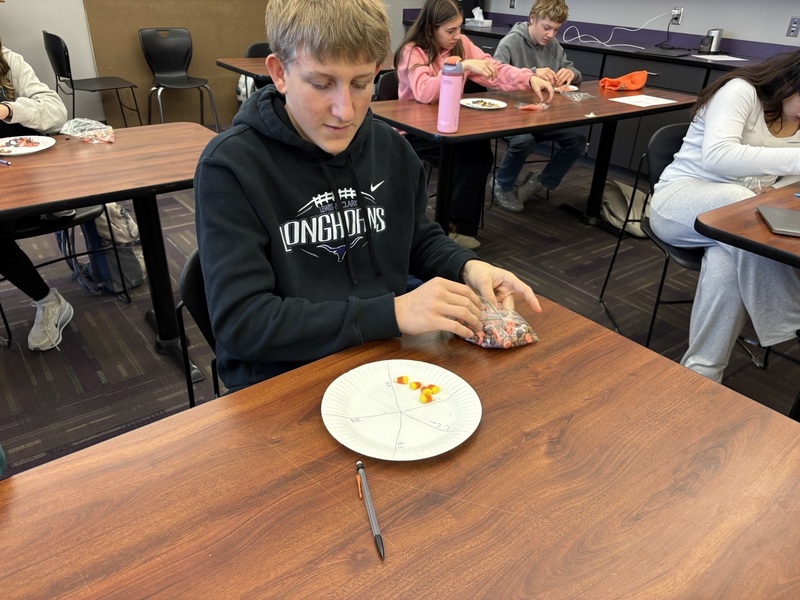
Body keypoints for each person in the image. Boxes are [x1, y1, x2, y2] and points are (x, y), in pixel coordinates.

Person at [194, 0, 542, 393]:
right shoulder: (231, 167)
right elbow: (243, 323)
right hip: (283, 379)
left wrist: (466, 266)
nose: (345, 111)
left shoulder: (390, 149)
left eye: (360, 84)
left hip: (383, 353)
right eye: (321, 84)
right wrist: (391, 312)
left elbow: (416, 237)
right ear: (279, 73)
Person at [649, 50, 800, 383]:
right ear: (792, 80)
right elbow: (718, 157)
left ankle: (701, 375)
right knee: (739, 209)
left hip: (740, 220)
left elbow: (791, 177)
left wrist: (775, 189)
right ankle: (794, 317)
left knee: (729, 255)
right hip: (680, 199)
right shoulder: (740, 91)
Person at [394, 0, 553, 247]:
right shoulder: (412, 51)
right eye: (450, 30)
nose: (457, 35)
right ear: (431, 28)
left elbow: (494, 70)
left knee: (480, 153)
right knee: (464, 157)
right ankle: (449, 226)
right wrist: (461, 66)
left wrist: (529, 77)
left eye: (459, 28)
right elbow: (424, 92)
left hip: (449, 124)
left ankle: (459, 227)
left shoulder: (461, 44)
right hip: (414, 131)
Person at [0, 40, 72, 352]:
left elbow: (56, 113)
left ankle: (49, 302)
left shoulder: (7, 61)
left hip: (30, 180)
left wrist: (9, 109)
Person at [491, 0, 586, 212]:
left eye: (556, 30)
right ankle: (501, 184)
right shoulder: (511, 42)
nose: (550, 35)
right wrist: (532, 73)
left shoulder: (553, 46)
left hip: (542, 116)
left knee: (577, 140)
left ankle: (540, 181)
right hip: (511, 116)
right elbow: (493, 81)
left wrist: (571, 74)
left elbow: (574, 72)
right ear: (532, 19)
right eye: (546, 28)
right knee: (523, 140)